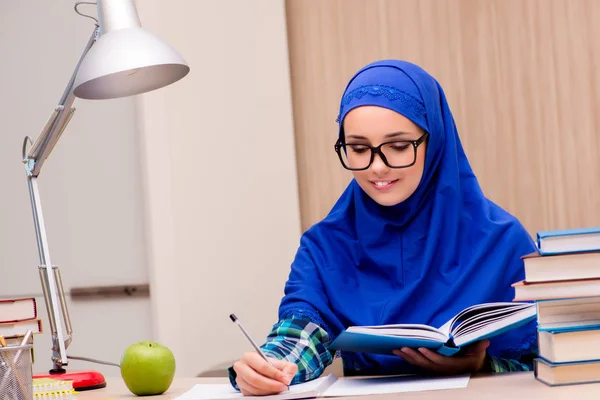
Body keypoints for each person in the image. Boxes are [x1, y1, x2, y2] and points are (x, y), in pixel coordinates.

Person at [228, 59, 538, 396]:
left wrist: (481, 366)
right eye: (359, 149)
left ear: (433, 142)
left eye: (399, 146)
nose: (377, 167)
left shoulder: (502, 241)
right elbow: (301, 335)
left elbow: (547, 360)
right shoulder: (326, 246)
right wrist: (269, 368)